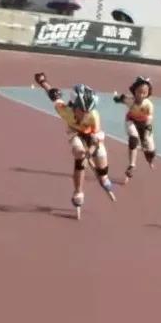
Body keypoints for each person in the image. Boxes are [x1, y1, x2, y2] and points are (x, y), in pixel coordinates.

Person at [33, 72, 116, 219]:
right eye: (81, 111)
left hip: (92, 135)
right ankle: (78, 192)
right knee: (79, 155)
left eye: (88, 111)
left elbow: (96, 140)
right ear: (74, 105)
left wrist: (90, 152)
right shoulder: (64, 110)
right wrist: (43, 82)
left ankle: (104, 177)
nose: (85, 114)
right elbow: (53, 94)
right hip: (75, 133)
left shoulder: (94, 115)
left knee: (100, 156)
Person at [113, 76, 156, 184]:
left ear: (148, 93)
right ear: (134, 91)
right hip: (131, 121)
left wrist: (145, 136)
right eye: (139, 92)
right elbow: (119, 99)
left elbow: (149, 122)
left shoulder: (148, 105)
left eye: (144, 93)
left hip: (145, 125)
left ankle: (150, 159)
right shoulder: (130, 100)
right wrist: (115, 97)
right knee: (133, 139)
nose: (141, 95)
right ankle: (132, 165)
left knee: (150, 149)